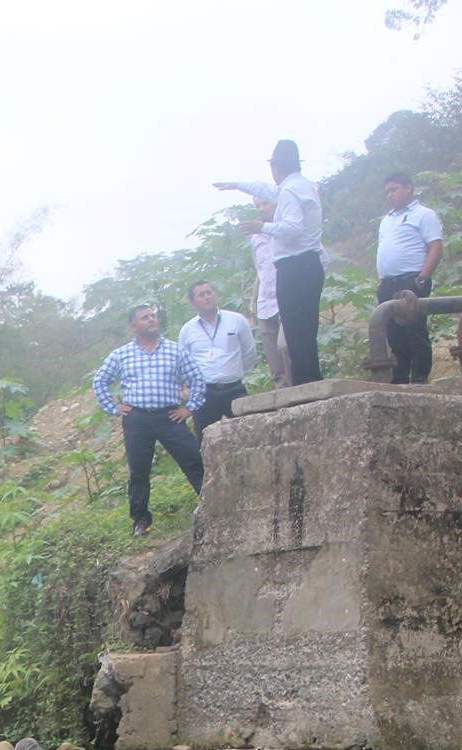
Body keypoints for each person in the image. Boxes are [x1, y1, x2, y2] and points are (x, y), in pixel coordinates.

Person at [92, 304, 205, 536]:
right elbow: (100, 381)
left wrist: (189, 409)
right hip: (138, 420)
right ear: (134, 326)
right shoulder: (121, 354)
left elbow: (197, 379)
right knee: (139, 471)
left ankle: (212, 505)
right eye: (145, 318)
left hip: (170, 416)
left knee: (194, 460)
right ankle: (140, 521)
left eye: (153, 316)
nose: (152, 320)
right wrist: (114, 408)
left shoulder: (176, 351)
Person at [218, 139, 324, 385]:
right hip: (309, 263)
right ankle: (309, 376)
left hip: (294, 266)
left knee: (296, 328)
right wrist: (237, 185)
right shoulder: (304, 186)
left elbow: (292, 227)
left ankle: (305, 380)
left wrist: (261, 226)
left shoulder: (288, 191)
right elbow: (266, 190)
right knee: (305, 326)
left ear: (276, 167)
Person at [375, 172, 443, 385]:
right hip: (388, 283)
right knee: (394, 335)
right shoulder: (386, 220)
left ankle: (420, 376)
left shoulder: (424, 214)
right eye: (387, 191)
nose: (390, 195)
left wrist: (422, 278)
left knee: (415, 331)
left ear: (408, 188)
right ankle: (400, 376)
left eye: (394, 189)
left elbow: (435, 248)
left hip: (411, 281)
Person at [178, 280, 256, 433]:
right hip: (204, 393)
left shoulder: (237, 320)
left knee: (249, 433)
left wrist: (234, 372)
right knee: (204, 438)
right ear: (193, 303)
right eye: (201, 295)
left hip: (234, 388)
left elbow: (249, 352)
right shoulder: (187, 330)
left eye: (209, 292)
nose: (207, 297)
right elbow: (184, 364)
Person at [247, 198, 290, 388]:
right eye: (257, 206)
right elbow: (261, 270)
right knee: (274, 359)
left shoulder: (287, 230)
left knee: (285, 346)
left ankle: (298, 388)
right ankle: (282, 395)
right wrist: (254, 299)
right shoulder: (255, 238)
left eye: (265, 204)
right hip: (265, 302)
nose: (261, 209)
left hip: (288, 297)